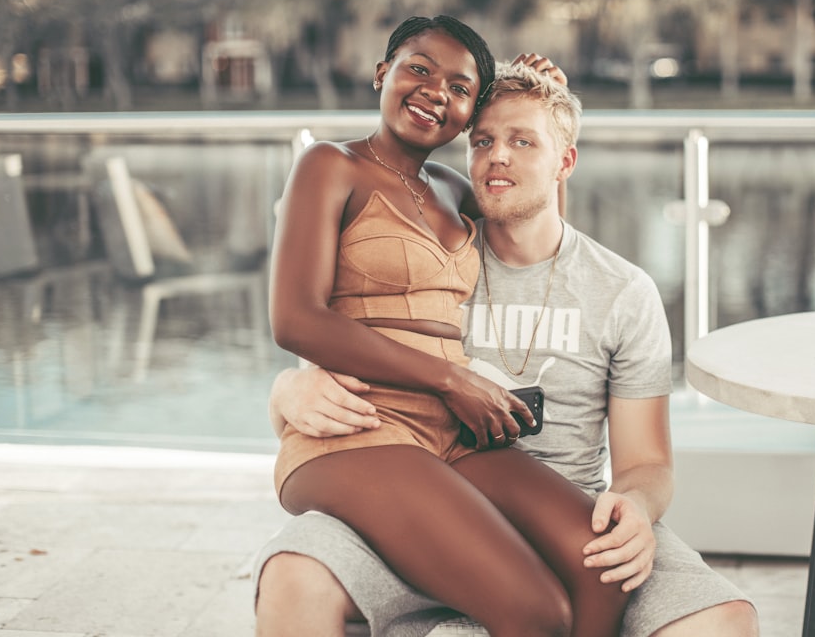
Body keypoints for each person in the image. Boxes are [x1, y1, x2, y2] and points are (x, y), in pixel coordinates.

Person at [255, 59, 760, 636]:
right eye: (485, 141)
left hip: (565, 501)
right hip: (411, 482)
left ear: (564, 162)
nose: (499, 156)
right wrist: (286, 388)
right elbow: (326, 339)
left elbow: (647, 463)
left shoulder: (622, 291)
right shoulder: (429, 263)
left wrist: (636, 509)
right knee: (294, 574)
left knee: (723, 621)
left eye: (524, 142)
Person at [266, 15, 633, 637]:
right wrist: (448, 380)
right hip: (360, 431)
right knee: (535, 609)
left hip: (455, 438)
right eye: (419, 69)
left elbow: (533, 222)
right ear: (382, 74)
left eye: (461, 88)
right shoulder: (330, 166)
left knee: (600, 564)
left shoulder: (453, 188)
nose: (437, 91)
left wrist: (543, 106)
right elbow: (295, 319)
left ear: (468, 115)